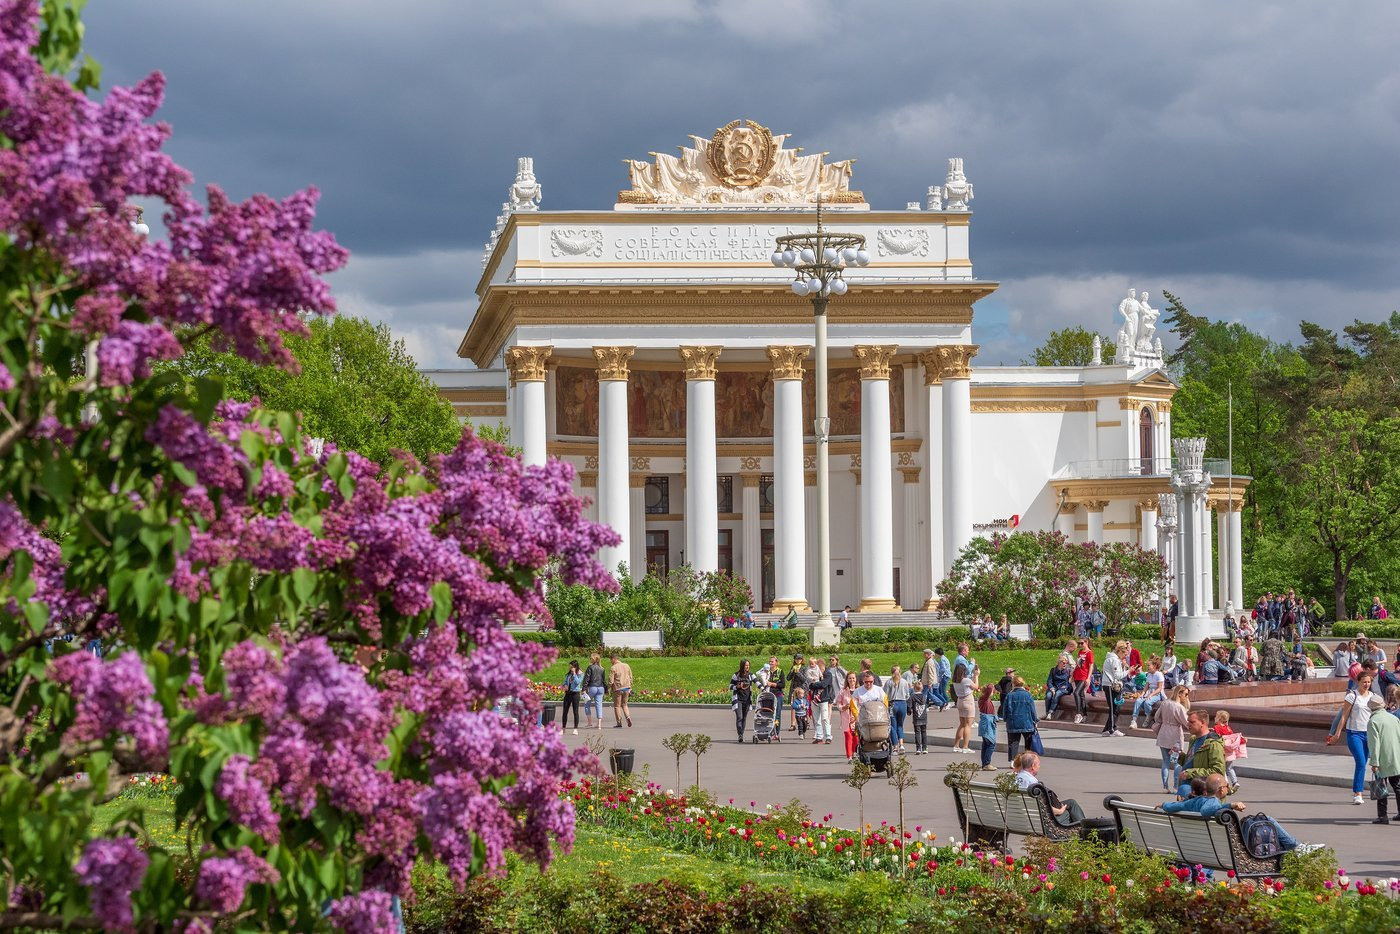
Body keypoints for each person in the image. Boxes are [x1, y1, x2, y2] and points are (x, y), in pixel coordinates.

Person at [1162, 775, 1313, 853]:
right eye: (1226, 786)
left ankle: (1295, 847)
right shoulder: (1213, 803)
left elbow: (1172, 807)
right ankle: (1296, 847)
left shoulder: (1193, 801)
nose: (1228, 788)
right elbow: (1205, 812)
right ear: (1221, 790)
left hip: (1197, 846)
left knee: (1258, 821)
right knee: (1265, 821)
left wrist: (1163, 805)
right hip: (1229, 849)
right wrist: (1230, 805)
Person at [1328, 669, 1382, 805]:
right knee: (1360, 762)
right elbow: (1344, 716)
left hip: (1369, 733)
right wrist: (1337, 733)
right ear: (1358, 682)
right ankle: (1358, 793)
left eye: (1369, 682)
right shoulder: (1352, 696)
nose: (1367, 684)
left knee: (1367, 763)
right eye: (1364, 682)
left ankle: (1378, 789)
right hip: (1354, 734)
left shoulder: (1373, 696)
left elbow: (1378, 715)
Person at [1012, 751, 1085, 825]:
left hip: (1024, 815)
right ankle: (1087, 831)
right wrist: (1060, 811)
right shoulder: (1033, 784)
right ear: (1033, 766)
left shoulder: (1015, 778)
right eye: (1038, 764)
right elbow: (1043, 808)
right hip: (1039, 822)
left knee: (1071, 803)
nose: (1039, 767)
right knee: (1068, 813)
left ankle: (1086, 831)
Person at [1177, 707, 1226, 799]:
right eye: (1188, 722)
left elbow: (1218, 771)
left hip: (1204, 796)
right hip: (1188, 791)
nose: (1188, 725)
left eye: (1192, 722)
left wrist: (1191, 773)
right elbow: (1193, 762)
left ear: (1202, 723)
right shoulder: (1194, 739)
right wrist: (1181, 756)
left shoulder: (1214, 744)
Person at [1368, 685, 1400, 823]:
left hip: (1382, 759)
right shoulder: (1393, 718)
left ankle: (1382, 816)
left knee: (1381, 786)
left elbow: (1375, 744)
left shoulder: (1373, 721)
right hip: (1396, 757)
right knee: (1398, 786)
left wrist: (1374, 762)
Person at [1154, 684, 1191, 791]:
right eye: (1186, 694)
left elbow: (1157, 716)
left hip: (1163, 733)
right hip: (1175, 736)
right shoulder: (1179, 707)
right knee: (1176, 762)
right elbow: (1186, 722)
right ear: (1180, 693)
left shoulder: (1165, 703)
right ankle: (1176, 786)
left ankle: (1165, 787)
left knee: (1165, 762)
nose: (1186, 696)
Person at [1003, 676, 1038, 762]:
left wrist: (1005, 719)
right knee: (1028, 742)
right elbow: (1032, 710)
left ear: (1013, 684)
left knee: (1013, 743)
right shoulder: (1027, 695)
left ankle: (1013, 761)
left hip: (1013, 722)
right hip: (1027, 722)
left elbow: (1005, 709)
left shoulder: (1010, 695)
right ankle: (1028, 760)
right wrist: (1035, 720)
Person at [1214, 709, 1246, 792]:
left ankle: (1226, 784)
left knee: (1222, 769)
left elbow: (1216, 737)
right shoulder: (1228, 728)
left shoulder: (1217, 727)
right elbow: (1234, 737)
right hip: (1230, 754)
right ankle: (1235, 782)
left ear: (1219, 719)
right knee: (1230, 768)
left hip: (1223, 752)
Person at [1101, 641, 1128, 736]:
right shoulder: (1114, 660)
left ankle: (1106, 729)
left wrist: (1124, 667)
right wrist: (1129, 671)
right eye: (1125, 653)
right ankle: (1112, 729)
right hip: (1110, 685)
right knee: (1114, 708)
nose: (1125, 656)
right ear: (1120, 651)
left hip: (1109, 685)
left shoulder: (1113, 659)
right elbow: (1118, 676)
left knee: (1116, 707)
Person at [756, 655, 786, 740]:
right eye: (769, 661)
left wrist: (772, 684)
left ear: (776, 663)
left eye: (772, 662)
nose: (770, 663)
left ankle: (776, 732)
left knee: (777, 715)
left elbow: (782, 685)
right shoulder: (766, 671)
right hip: (768, 696)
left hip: (778, 695)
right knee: (768, 714)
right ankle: (768, 731)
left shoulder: (780, 671)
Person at [1131, 657, 1165, 730]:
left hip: (1156, 693)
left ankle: (1148, 717)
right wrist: (1142, 694)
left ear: (1155, 666)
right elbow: (1146, 687)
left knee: (1147, 702)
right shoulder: (1149, 675)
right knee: (1138, 701)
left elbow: (1159, 688)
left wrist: (1151, 695)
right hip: (1149, 692)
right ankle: (1134, 720)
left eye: (1149, 665)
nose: (1147, 667)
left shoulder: (1159, 675)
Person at [951, 662, 977, 754]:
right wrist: (976, 676)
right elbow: (976, 687)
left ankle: (956, 745)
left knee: (962, 724)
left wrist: (974, 676)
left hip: (960, 701)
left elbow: (971, 684)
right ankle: (965, 746)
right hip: (968, 701)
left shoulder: (955, 680)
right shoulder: (966, 680)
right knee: (968, 725)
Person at [884, 665, 911, 754]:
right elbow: (907, 695)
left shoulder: (889, 682)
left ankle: (895, 747)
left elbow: (885, 695)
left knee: (892, 726)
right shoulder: (904, 682)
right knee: (900, 725)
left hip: (893, 704)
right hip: (903, 703)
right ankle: (901, 744)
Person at [730, 659, 757, 742]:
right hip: (738, 699)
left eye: (748, 665)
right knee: (739, 717)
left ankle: (742, 733)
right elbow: (730, 686)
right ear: (742, 666)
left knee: (744, 718)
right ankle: (740, 735)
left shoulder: (751, 675)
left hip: (747, 699)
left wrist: (763, 688)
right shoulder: (736, 675)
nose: (747, 667)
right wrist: (737, 686)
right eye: (746, 665)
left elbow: (757, 682)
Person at [836, 671, 860, 762]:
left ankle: (854, 752)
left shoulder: (859, 690)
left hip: (856, 717)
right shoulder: (843, 691)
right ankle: (849, 756)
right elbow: (838, 703)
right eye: (850, 678)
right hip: (846, 717)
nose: (852, 680)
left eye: (853, 678)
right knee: (848, 736)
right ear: (847, 679)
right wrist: (843, 707)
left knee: (856, 737)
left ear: (856, 679)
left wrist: (856, 716)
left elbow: (861, 704)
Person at [812, 658, 836, 745]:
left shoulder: (828, 674)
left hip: (824, 698)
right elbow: (810, 685)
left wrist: (815, 684)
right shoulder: (815, 673)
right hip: (815, 698)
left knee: (825, 718)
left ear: (823, 666)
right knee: (816, 719)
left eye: (819, 667)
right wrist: (814, 684)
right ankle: (819, 736)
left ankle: (828, 736)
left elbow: (824, 684)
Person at [1071, 639, 1094, 725]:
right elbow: (1078, 664)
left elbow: (1091, 666)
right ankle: (1084, 714)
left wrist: (1088, 678)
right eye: (1079, 643)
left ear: (1086, 642)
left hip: (1084, 676)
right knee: (1081, 695)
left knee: (1076, 693)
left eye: (1082, 643)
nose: (1080, 645)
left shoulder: (1089, 653)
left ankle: (1078, 714)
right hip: (1077, 674)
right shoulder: (1080, 652)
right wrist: (1073, 673)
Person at [582, 653, 607, 730]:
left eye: (591, 658)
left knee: (586, 703)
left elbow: (587, 679)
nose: (590, 659)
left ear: (593, 659)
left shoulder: (590, 667)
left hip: (592, 688)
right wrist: (606, 690)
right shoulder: (602, 668)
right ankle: (599, 724)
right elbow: (604, 680)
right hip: (601, 688)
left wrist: (583, 689)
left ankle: (589, 723)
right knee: (599, 705)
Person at [977, 681, 998, 770]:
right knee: (991, 744)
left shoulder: (986, 699)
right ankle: (987, 764)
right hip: (987, 723)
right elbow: (989, 688)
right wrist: (991, 685)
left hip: (987, 722)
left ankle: (985, 764)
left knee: (986, 744)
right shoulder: (984, 698)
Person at [608, 653, 633, 728]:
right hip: (626, 688)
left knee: (617, 706)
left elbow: (611, 681)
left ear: (613, 659)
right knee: (625, 705)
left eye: (610, 660)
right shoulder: (626, 665)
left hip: (618, 689)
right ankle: (628, 717)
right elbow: (631, 677)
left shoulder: (613, 668)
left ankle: (619, 723)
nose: (610, 662)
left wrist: (608, 688)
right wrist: (630, 686)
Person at [561, 660, 584, 734]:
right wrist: (565, 685)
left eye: (571, 667)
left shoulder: (580, 673)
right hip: (568, 693)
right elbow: (565, 682)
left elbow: (578, 682)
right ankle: (563, 728)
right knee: (565, 711)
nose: (570, 668)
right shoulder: (568, 674)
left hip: (575, 694)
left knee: (575, 711)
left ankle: (575, 729)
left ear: (575, 667)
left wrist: (574, 673)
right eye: (570, 667)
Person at [909, 681, 930, 755]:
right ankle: (925, 748)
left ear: (914, 688)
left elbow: (909, 706)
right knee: (924, 732)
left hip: (916, 717)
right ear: (922, 688)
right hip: (924, 716)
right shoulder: (924, 696)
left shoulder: (912, 696)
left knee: (917, 732)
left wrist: (909, 712)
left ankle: (918, 748)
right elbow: (926, 704)